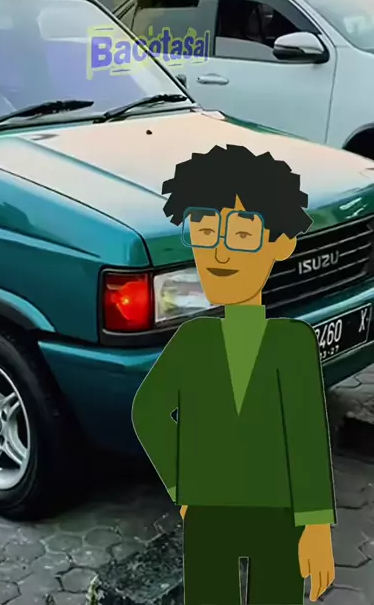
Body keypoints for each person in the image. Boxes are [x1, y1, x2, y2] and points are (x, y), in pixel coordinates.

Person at [131, 144, 336, 605]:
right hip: (209, 513)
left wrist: (316, 525)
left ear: (280, 243)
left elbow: (305, 435)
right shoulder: (193, 341)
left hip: (279, 515)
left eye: (243, 234)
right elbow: (149, 412)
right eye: (205, 231)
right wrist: (184, 489)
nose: (220, 252)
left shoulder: (292, 343)